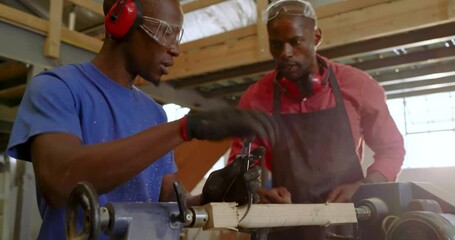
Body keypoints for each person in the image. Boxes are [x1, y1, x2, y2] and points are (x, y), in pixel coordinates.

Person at [6, 0, 278, 239]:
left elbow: (167, 202)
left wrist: (210, 196)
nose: (175, 49)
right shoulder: (58, 88)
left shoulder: (155, 113)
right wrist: (186, 128)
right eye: (165, 32)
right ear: (122, 21)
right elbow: (59, 181)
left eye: (178, 36)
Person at [228, 0, 406, 238]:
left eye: (295, 42)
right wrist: (259, 193)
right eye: (276, 44)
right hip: (286, 226)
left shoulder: (358, 86)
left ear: (317, 37)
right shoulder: (255, 100)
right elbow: (240, 167)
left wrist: (364, 187)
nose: (285, 53)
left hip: (349, 222)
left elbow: (392, 150)